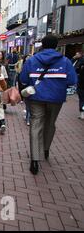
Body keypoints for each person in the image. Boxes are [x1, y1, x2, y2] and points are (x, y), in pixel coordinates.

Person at [20, 35, 77, 175]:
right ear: (56, 46)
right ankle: (45, 149)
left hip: (36, 96)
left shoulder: (32, 60)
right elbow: (72, 80)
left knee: (35, 124)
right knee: (50, 123)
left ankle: (35, 159)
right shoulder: (65, 61)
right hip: (56, 98)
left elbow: (23, 78)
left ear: (42, 45)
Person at [18, 55, 32, 125]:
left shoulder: (28, 65)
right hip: (33, 88)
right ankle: (28, 118)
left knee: (29, 104)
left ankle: (28, 119)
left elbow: (23, 79)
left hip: (30, 87)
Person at [74, 52, 84, 120]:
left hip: (81, 86)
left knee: (82, 100)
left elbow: (75, 69)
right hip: (81, 85)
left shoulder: (81, 67)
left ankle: (82, 113)